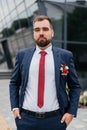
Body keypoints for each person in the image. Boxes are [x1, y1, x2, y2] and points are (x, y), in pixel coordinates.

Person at [9, 15, 81, 130]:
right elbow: (14, 83)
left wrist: (71, 112)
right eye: (37, 30)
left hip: (55, 121)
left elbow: (75, 86)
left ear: (52, 32)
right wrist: (14, 107)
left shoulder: (65, 56)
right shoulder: (22, 55)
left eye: (45, 29)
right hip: (26, 120)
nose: (41, 33)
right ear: (33, 33)